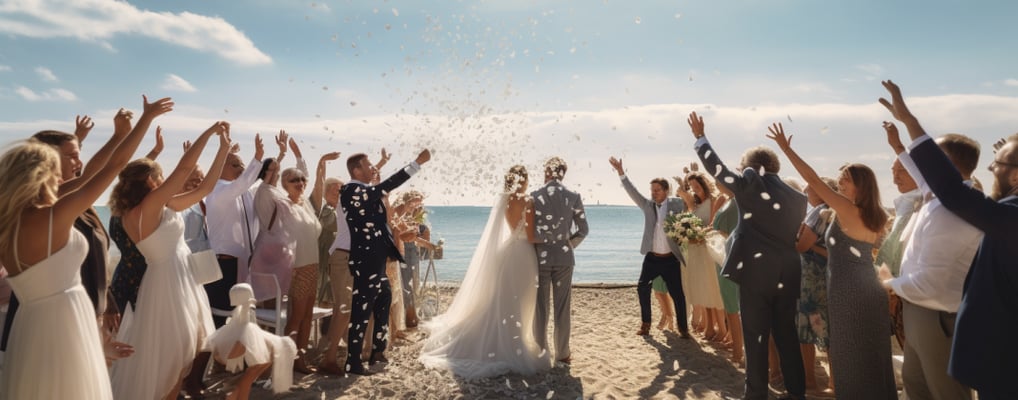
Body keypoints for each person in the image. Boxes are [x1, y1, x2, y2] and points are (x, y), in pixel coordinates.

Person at [0, 95, 171, 399]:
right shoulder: (54, 215)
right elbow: (112, 167)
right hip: (65, 329)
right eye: (57, 168)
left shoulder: (9, 223)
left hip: (29, 330)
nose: (69, 174)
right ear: (43, 174)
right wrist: (145, 120)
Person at [766, 122, 896, 399]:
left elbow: (813, 181)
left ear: (860, 185)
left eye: (846, 179)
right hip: (868, 286)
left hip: (848, 288)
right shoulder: (877, 214)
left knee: (848, 351)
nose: (840, 183)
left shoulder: (847, 209)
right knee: (870, 353)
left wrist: (787, 149)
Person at [880, 81, 991, 399]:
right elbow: (918, 171)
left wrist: (889, 282)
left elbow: (930, 283)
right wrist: (901, 138)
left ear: (949, 166)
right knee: (917, 386)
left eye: (934, 157)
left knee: (946, 393)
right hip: (919, 311)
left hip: (937, 315)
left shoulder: (959, 209)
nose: (926, 162)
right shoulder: (939, 193)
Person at [686, 112, 807, 400]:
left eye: (742, 167)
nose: (738, 171)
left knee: (756, 338)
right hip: (787, 274)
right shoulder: (797, 197)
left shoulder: (752, 182)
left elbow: (718, 171)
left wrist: (701, 139)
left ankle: (755, 396)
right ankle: (797, 393)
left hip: (756, 274)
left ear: (752, 168)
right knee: (787, 336)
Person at [109, 121, 230, 400]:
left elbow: (204, 189)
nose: (164, 181)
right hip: (167, 284)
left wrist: (222, 150)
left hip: (180, 279)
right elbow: (186, 169)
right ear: (150, 181)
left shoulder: (157, 206)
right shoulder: (147, 208)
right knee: (173, 357)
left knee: (178, 358)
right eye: (160, 176)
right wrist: (209, 132)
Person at [420, 165, 552, 379]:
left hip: (507, 251)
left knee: (504, 299)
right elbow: (530, 235)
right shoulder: (527, 201)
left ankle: (500, 338)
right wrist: (550, 237)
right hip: (523, 255)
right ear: (524, 180)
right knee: (520, 300)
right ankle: (513, 341)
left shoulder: (506, 200)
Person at [342, 149, 431, 375]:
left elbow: (382, 223)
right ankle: (353, 361)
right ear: (356, 170)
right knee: (361, 309)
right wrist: (416, 163)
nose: (372, 167)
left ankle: (378, 351)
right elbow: (386, 186)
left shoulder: (367, 192)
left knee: (384, 300)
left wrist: (401, 237)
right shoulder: (351, 190)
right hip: (366, 259)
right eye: (368, 164)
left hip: (378, 258)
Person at [318, 152, 389, 375]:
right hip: (343, 257)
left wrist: (376, 170)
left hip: (356, 258)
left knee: (356, 309)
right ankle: (328, 359)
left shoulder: (360, 192)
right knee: (344, 310)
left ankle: (356, 356)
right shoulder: (351, 194)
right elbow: (362, 183)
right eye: (367, 166)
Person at [608, 156, 690, 338]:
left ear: (666, 191)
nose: (653, 193)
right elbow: (632, 191)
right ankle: (646, 324)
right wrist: (621, 173)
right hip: (652, 258)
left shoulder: (677, 204)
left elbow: (691, 201)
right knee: (642, 288)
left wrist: (686, 181)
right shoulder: (647, 205)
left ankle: (683, 328)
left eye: (657, 190)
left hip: (671, 259)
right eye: (652, 190)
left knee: (678, 295)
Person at [205, 132, 265, 328]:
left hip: (244, 265)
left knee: (241, 320)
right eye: (235, 165)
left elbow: (254, 184)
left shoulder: (241, 192)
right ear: (219, 168)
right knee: (220, 320)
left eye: (242, 165)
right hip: (225, 267)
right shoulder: (218, 191)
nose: (241, 168)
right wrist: (256, 158)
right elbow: (243, 183)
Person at [532, 156, 588, 364]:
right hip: (565, 259)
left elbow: (531, 231)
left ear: (547, 171)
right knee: (562, 308)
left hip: (541, 258)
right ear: (563, 173)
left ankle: (540, 352)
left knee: (541, 307)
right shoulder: (574, 196)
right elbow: (584, 230)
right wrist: (567, 245)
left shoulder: (535, 195)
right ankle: (563, 354)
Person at [204, 283, 297, 400]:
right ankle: (238, 395)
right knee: (257, 367)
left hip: (230, 351)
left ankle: (235, 393)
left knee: (260, 364)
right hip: (235, 351)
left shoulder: (237, 317)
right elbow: (248, 340)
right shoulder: (246, 317)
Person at [794, 178, 838, 396]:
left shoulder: (819, 211)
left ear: (820, 192)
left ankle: (810, 381)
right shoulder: (836, 211)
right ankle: (833, 381)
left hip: (811, 280)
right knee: (826, 329)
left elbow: (801, 245)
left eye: (810, 184)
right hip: (826, 277)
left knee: (810, 328)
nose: (805, 187)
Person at [875, 155, 922, 349]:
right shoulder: (904, 203)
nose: (895, 178)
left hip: (915, 292)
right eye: (893, 172)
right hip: (899, 291)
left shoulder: (923, 203)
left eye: (901, 171)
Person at [675, 170, 727, 341]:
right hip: (695, 249)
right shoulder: (695, 203)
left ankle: (722, 328)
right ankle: (709, 327)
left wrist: (699, 234)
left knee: (713, 290)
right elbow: (690, 219)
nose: (694, 189)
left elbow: (713, 224)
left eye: (696, 186)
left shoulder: (713, 200)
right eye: (691, 187)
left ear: (704, 183)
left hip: (708, 248)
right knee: (702, 289)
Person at [710, 182, 744, 367]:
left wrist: (717, 233)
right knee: (728, 303)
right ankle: (734, 342)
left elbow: (731, 232)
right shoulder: (727, 201)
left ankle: (739, 351)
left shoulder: (737, 204)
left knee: (732, 306)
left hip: (729, 258)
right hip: (721, 255)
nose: (717, 183)